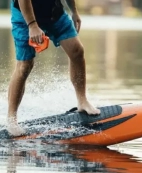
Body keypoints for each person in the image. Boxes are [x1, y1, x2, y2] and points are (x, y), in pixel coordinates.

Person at [8, 0, 100, 136]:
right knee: (25, 66)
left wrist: (74, 11)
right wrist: (32, 25)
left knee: (77, 50)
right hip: (24, 15)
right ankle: (11, 119)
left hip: (53, 12)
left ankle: (82, 101)